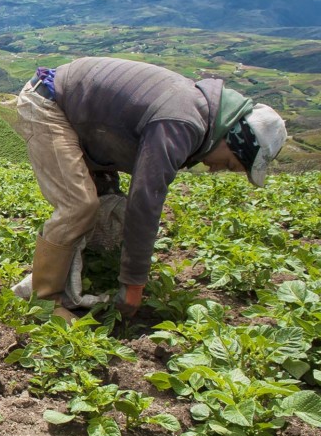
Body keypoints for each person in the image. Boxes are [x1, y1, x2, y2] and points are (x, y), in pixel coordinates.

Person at [15, 56, 287, 320]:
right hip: (48, 103)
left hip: (88, 126)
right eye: (228, 163)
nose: (217, 169)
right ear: (231, 138)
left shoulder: (198, 117)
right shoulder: (182, 124)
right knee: (79, 206)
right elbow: (145, 202)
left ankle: (79, 277)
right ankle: (45, 301)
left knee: (108, 209)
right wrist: (133, 284)